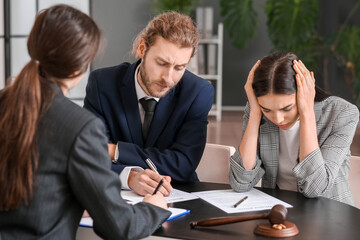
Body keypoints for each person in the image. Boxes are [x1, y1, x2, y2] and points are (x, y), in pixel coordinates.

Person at [0, 5, 171, 239]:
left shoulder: (5, 102)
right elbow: (120, 226)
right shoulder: (81, 127)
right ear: (78, 68)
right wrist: (153, 207)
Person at [84, 11, 214, 196]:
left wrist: (116, 151)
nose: (168, 78)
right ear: (142, 48)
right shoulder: (102, 84)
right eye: (161, 63)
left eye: (180, 68)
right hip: (115, 194)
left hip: (177, 195)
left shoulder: (198, 92)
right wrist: (128, 177)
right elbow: (90, 155)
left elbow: (183, 165)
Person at [229, 52, 359, 205]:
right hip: (279, 212)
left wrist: (307, 113)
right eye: (267, 109)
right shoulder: (257, 112)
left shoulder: (342, 113)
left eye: (286, 108)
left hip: (330, 215)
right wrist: (256, 113)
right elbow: (240, 183)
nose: (277, 119)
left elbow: (314, 189)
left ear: (305, 90)